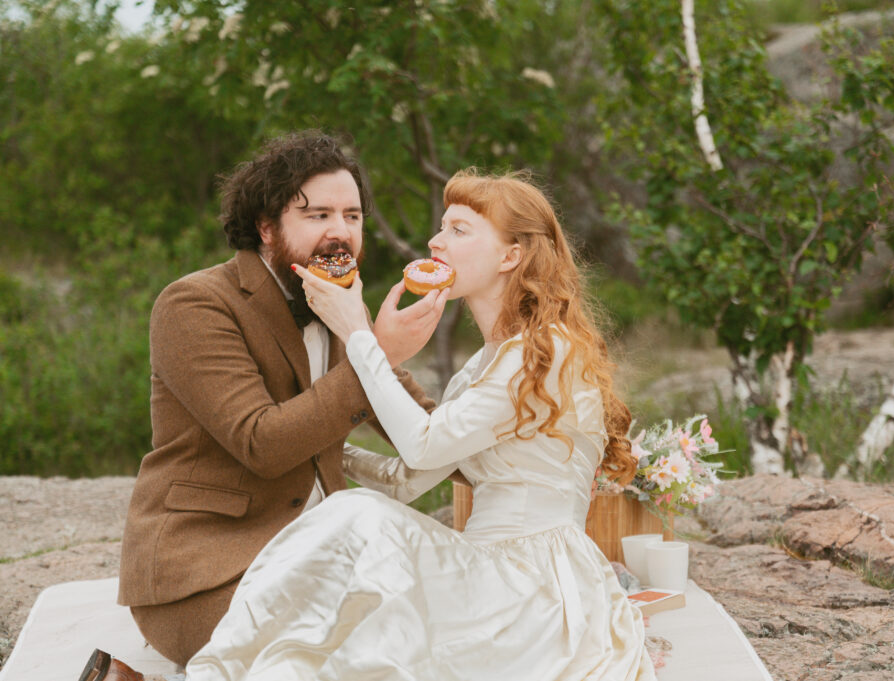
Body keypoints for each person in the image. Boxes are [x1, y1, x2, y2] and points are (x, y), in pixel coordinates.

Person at [177, 169, 658, 680]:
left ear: (510, 256)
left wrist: (360, 336)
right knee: (357, 571)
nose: (435, 241)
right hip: (484, 566)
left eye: (458, 230)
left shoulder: (547, 351)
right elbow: (407, 480)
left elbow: (424, 446)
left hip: (533, 579)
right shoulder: (483, 365)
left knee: (357, 521)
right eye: (441, 227)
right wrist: (324, 448)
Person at [108, 131, 446, 672]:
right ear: (267, 227)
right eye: (317, 216)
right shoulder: (193, 304)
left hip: (324, 557)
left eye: (353, 216)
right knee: (371, 650)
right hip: (210, 577)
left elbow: (428, 426)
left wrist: (535, 439)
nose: (340, 232)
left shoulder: (337, 302)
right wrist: (372, 348)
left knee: (451, 623)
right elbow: (261, 442)